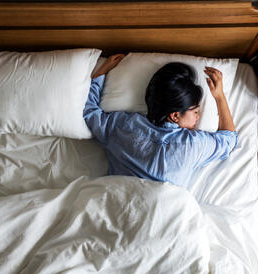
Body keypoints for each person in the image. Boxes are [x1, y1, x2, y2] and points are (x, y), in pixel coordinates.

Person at [83, 54, 237, 188]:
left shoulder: (122, 125)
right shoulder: (193, 144)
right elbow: (229, 140)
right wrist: (220, 97)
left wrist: (102, 71)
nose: (198, 116)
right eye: (195, 111)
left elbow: (90, 112)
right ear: (175, 116)